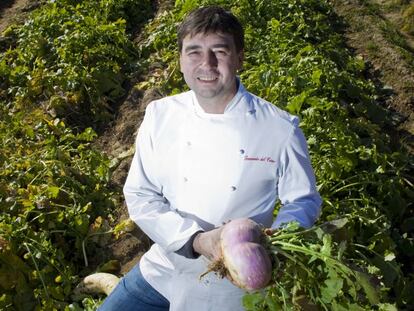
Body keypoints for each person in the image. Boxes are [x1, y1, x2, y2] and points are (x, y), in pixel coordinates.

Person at [99, 5, 321, 311]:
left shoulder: (279, 128)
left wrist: (275, 244)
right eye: (194, 52)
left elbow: (303, 200)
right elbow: (140, 193)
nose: (207, 64)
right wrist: (198, 241)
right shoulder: (160, 114)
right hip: (166, 264)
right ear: (179, 60)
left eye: (220, 51)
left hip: (232, 281)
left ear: (240, 57)